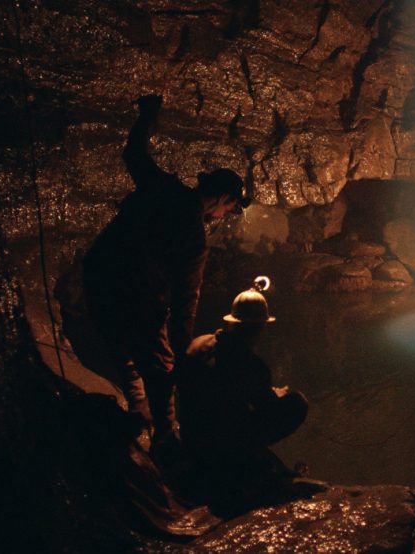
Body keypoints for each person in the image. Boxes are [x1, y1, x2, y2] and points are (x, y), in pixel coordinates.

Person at [83, 94, 249, 448]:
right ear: (221, 199)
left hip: (99, 275)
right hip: (138, 294)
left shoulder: (161, 187)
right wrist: (183, 347)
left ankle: (136, 413)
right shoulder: (194, 237)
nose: (224, 215)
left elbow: (134, 154)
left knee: (121, 349)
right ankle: (164, 437)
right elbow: (186, 298)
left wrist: (147, 116)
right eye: (230, 207)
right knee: (161, 368)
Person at [178, 278, 308, 507]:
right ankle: (246, 458)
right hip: (220, 445)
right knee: (297, 403)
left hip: (190, 434)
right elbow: (266, 409)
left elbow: (220, 386)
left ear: (231, 320)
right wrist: (275, 395)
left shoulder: (198, 343)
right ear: (260, 327)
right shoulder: (252, 366)